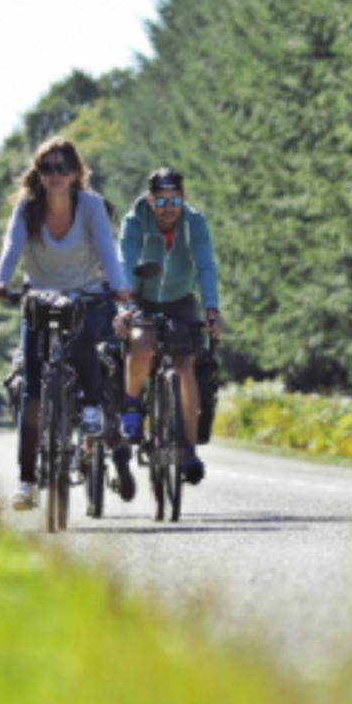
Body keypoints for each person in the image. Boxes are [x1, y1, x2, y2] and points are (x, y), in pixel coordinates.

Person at [0, 137, 131, 510]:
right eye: (47, 168)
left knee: (84, 342)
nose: (55, 175)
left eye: (62, 168)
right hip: (41, 297)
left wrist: (119, 287)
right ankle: (27, 482)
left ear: (76, 173)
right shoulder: (27, 209)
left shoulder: (92, 206)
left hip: (85, 293)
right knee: (32, 394)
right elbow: (11, 246)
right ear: (38, 174)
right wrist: (0, 281)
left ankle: (92, 406)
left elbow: (107, 250)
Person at [114, 166, 225, 486]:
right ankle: (133, 405)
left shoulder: (195, 223)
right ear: (150, 201)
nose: (168, 209)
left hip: (180, 299)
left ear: (183, 198)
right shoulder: (135, 221)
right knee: (142, 343)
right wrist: (124, 308)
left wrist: (212, 310)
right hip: (142, 298)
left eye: (173, 201)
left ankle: (189, 451)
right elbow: (124, 263)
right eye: (160, 202)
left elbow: (206, 266)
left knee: (186, 364)